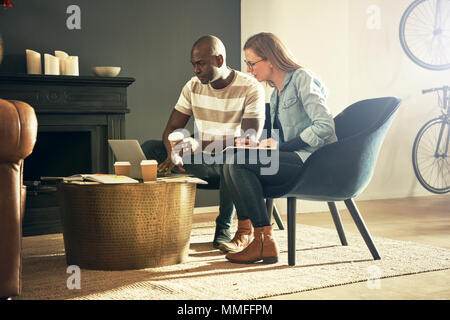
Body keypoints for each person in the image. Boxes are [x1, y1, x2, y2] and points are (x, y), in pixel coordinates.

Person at [221, 32, 338, 264]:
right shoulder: (276, 93)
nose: (249, 69)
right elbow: (280, 138)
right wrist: (258, 145)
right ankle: (259, 238)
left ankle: (262, 240)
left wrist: (280, 147)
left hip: (316, 161)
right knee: (232, 158)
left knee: (239, 162)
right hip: (294, 157)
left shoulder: (302, 78)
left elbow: (324, 126)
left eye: (252, 63)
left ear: (271, 59)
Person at [141, 35, 266, 249]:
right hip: (202, 161)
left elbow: (248, 140)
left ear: (219, 60)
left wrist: (197, 143)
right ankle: (158, 225)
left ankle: (224, 228)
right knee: (150, 148)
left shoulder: (250, 87)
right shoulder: (192, 86)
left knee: (232, 155)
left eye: (201, 64)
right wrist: (174, 150)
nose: (196, 70)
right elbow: (171, 129)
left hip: (235, 167)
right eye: (193, 65)